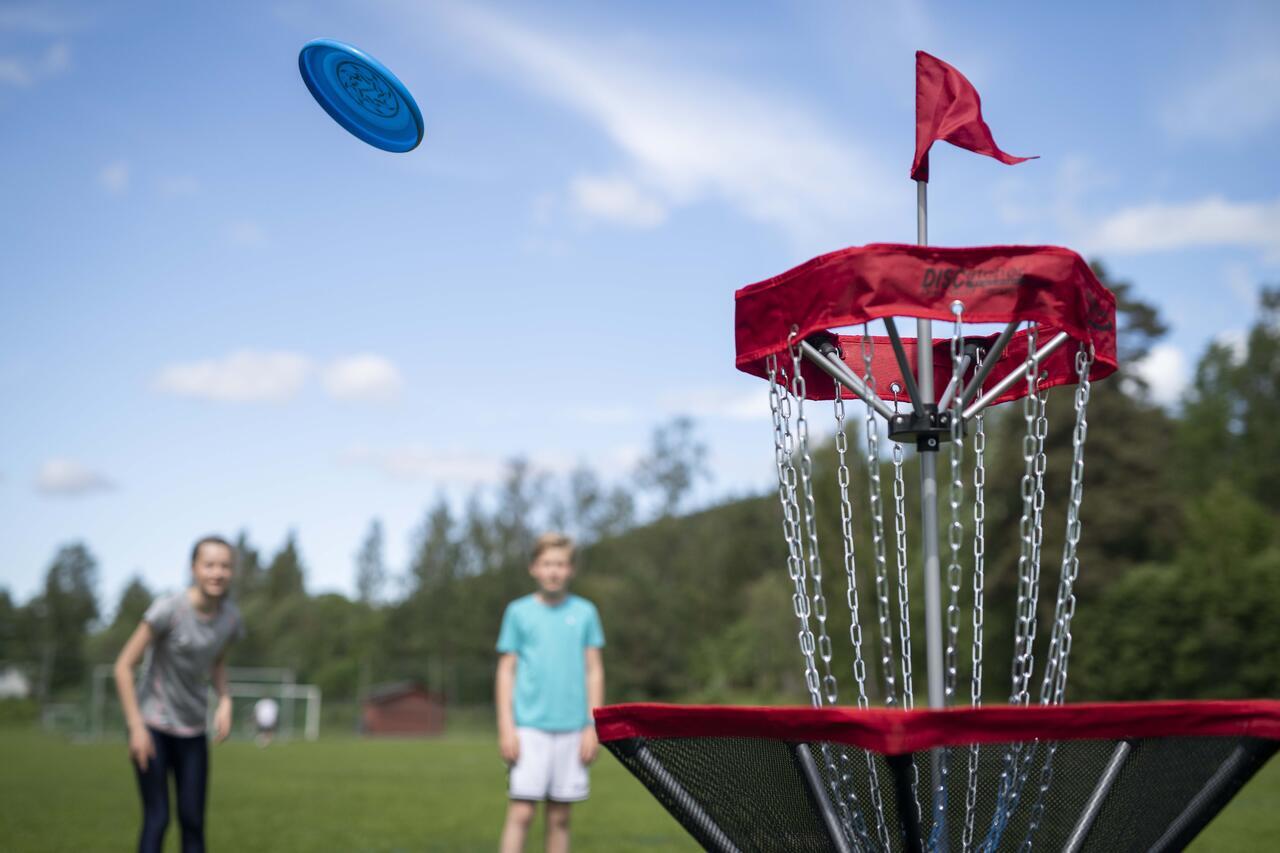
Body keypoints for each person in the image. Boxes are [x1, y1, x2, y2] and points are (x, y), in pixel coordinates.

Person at [113, 535, 244, 853]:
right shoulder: (168, 610)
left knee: (193, 821)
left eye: (225, 566)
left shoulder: (230, 619)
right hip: (153, 728)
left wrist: (224, 700)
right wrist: (136, 727)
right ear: (194, 568)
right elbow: (122, 667)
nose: (217, 572)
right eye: (209, 564)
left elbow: (217, 660)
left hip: (193, 731)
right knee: (158, 818)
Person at [496, 533, 605, 853]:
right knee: (522, 811)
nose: (553, 571)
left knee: (559, 817)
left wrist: (592, 726)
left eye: (560, 564)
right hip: (528, 727)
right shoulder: (518, 612)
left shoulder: (586, 612)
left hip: (573, 728)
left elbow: (594, 670)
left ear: (570, 569)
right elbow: (506, 671)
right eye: (546, 564)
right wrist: (507, 727)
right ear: (534, 568)